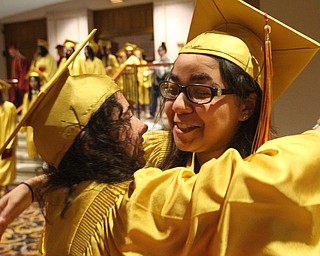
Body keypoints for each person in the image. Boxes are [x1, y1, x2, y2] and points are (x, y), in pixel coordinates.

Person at [1, 0, 320, 254]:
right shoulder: (159, 151)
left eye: (200, 91)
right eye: (173, 88)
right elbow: (91, 159)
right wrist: (37, 185)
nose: (177, 107)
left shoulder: (271, 182)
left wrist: (35, 186)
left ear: (247, 106)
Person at [19, 69, 46, 160]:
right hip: (32, 121)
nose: (33, 83)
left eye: (34, 81)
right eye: (31, 81)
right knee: (31, 140)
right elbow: (26, 109)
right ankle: (35, 156)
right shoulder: (28, 95)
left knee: (42, 139)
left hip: (41, 119)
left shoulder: (42, 93)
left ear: (38, 82)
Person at [0, 79, 17, 195]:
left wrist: (9, 145)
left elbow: (12, 127)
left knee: (6, 168)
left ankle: (6, 190)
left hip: (6, 143)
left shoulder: (9, 107)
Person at [149, 42, 171, 119]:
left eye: (161, 50)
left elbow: (167, 71)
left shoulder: (168, 60)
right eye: (158, 51)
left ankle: (166, 113)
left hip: (164, 81)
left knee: (165, 98)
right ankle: (152, 113)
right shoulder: (157, 61)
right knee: (154, 97)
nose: (159, 52)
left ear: (164, 51)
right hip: (157, 81)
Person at [7, 44, 30, 108]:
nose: (11, 53)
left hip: (21, 84)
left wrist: (20, 84)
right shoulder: (14, 60)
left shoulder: (22, 60)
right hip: (15, 83)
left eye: (11, 51)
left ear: (15, 50)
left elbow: (24, 73)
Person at [134, 47, 153, 118]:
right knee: (139, 98)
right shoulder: (135, 63)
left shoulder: (144, 62)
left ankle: (147, 112)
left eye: (139, 54)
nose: (138, 56)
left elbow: (147, 71)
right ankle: (141, 113)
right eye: (136, 55)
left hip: (145, 83)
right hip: (138, 83)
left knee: (146, 98)